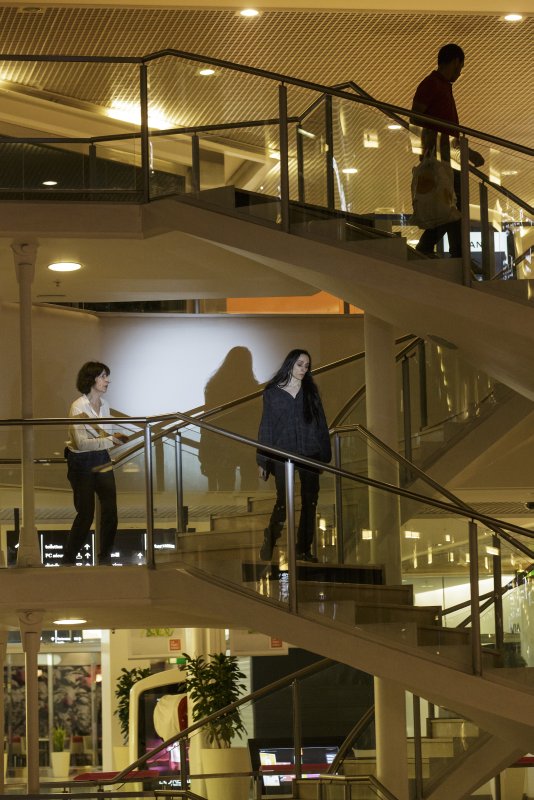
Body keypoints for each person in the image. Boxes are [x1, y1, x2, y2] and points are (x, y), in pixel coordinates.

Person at [256, 349, 331, 563]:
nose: (303, 369)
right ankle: (269, 540)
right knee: (283, 501)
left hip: (309, 453)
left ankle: (303, 549)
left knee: (310, 501)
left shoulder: (310, 392)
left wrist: (323, 455)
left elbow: (321, 423)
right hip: (282, 454)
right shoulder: (272, 392)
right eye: (300, 364)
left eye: (307, 366)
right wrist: (262, 460)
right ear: (290, 364)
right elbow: (266, 426)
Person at [411, 43, 484, 258]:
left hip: (447, 156)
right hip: (440, 158)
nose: (460, 72)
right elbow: (415, 117)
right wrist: (431, 151)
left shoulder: (442, 86)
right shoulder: (432, 84)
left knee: (453, 206)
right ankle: (439, 251)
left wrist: (467, 153)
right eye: (460, 67)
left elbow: (448, 129)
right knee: (451, 206)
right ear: (455, 62)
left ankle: (457, 255)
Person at [64, 361, 128, 566]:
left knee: (110, 510)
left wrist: (109, 440)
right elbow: (82, 444)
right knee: (86, 513)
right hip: (81, 463)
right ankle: (69, 558)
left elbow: (102, 437)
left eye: (106, 376)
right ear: (91, 380)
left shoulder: (105, 405)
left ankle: (105, 556)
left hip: (102, 459)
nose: (107, 380)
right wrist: (111, 440)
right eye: (102, 376)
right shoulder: (78, 407)